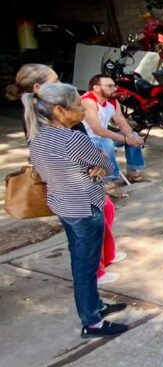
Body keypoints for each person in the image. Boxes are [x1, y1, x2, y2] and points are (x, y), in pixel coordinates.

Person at [25, 83, 129, 337]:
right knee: (86, 267)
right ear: (59, 110)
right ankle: (92, 322)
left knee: (81, 261)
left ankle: (95, 306)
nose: (83, 110)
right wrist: (98, 168)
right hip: (85, 208)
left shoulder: (36, 137)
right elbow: (106, 164)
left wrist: (94, 167)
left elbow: (42, 168)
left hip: (64, 205)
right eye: (77, 105)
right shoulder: (72, 139)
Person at [9, 64, 124, 285]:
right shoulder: (45, 120)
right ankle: (96, 272)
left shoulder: (51, 117)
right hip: (76, 188)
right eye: (55, 81)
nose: (61, 84)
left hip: (79, 180)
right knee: (86, 236)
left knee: (104, 213)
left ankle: (105, 258)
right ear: (39, 88)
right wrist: (92, 163)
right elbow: (50, 152)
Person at [81, 74, 146, 193]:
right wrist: (125, 140)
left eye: (114, 86)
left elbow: (121, 121)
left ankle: (133, 170)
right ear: (96, 87)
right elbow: (98, 130)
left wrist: (130, 136)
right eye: (110, 86)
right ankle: (108, 177)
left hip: (101, 137)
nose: (115, 89)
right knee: (107, 142)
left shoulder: (112, 101)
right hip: (84, 139)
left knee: (133, 135)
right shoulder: (88, 101)